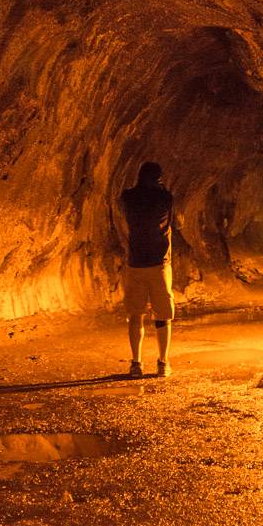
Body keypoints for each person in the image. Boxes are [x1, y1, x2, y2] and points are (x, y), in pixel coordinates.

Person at [119, 161, 180, 379]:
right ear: (159, 179)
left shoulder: (128, 197)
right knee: (163, 316)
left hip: (135, 264)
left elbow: (124, 203)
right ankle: (163, 363)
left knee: (136, 315)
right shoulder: (165, 198)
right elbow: (173, 217)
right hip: (159, 264)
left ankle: (136, 363)